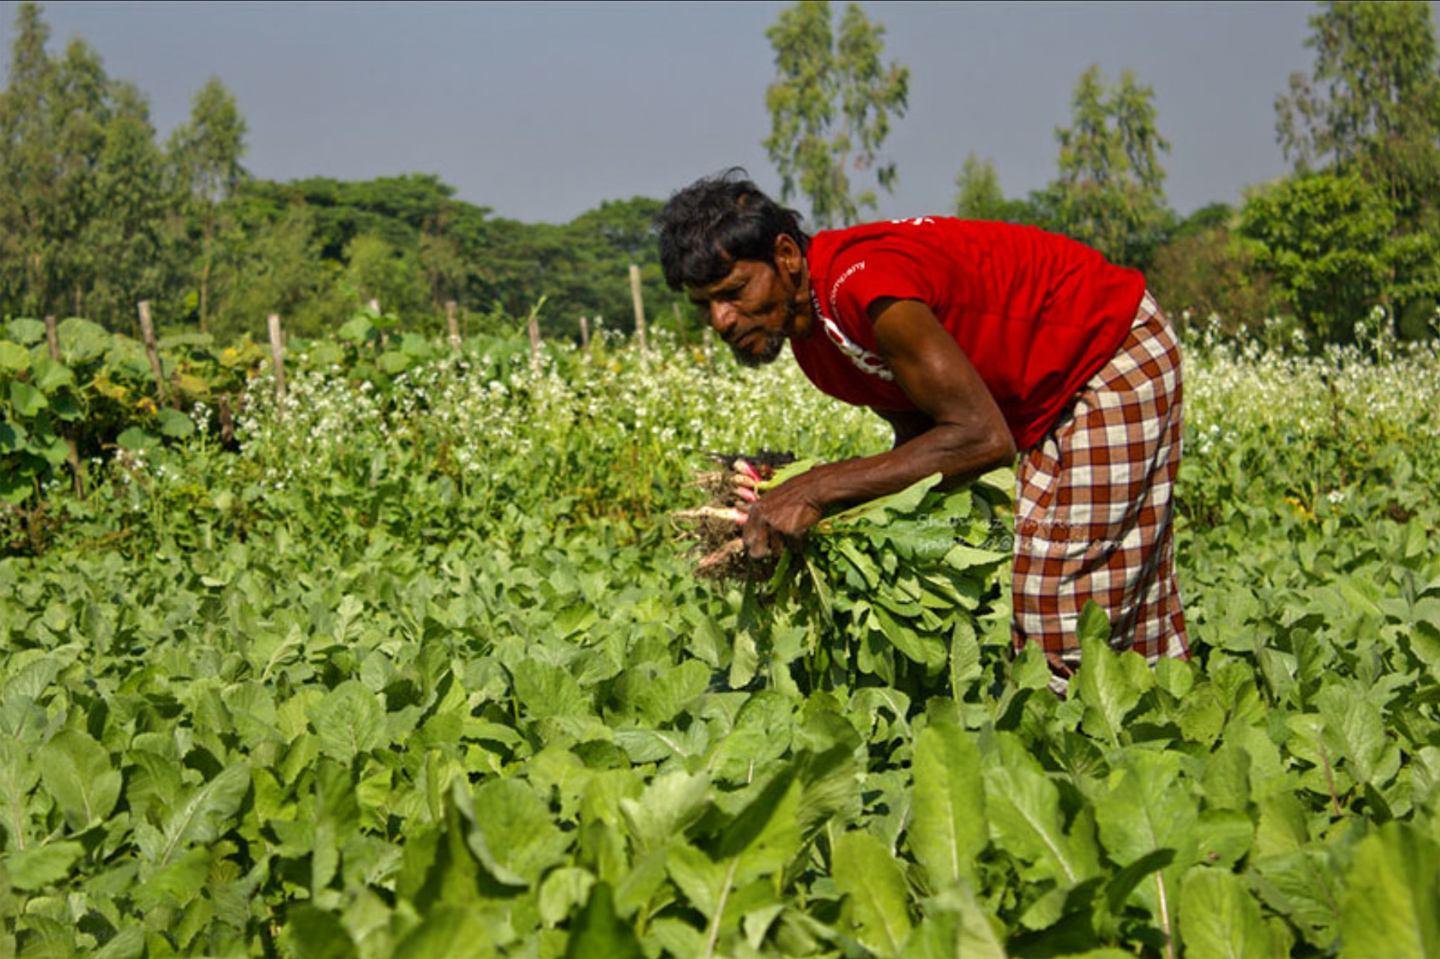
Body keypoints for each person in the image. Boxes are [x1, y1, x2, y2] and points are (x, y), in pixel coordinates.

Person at [657, 168, 1188, 687]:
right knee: (1091, 570)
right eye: (705, 305)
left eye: (734, 291)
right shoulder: (817, 349)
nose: (721, 321)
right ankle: (1168, 709)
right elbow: (926, 439)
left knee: (1054, 591)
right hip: (1045, 392)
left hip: (1107, 349)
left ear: (787, 256)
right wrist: (811, 504)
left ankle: (1072, 744)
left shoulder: (865, 290)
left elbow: (981, 440)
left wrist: (818, 489)